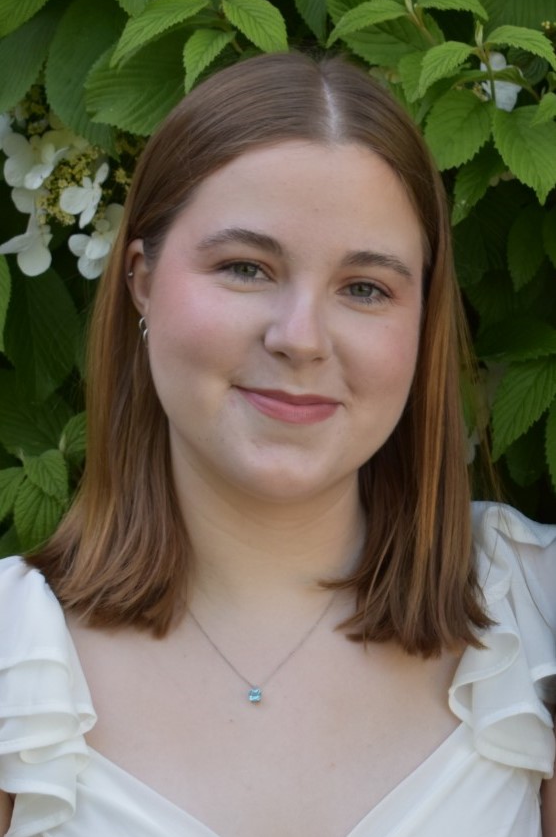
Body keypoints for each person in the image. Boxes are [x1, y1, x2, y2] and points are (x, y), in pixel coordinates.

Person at [0, 52, 555, 837]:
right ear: (141, 281)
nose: (300, 339)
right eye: (246, 267)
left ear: (423, 319)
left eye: (365, 287)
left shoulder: (534, 620)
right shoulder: (12, 659)